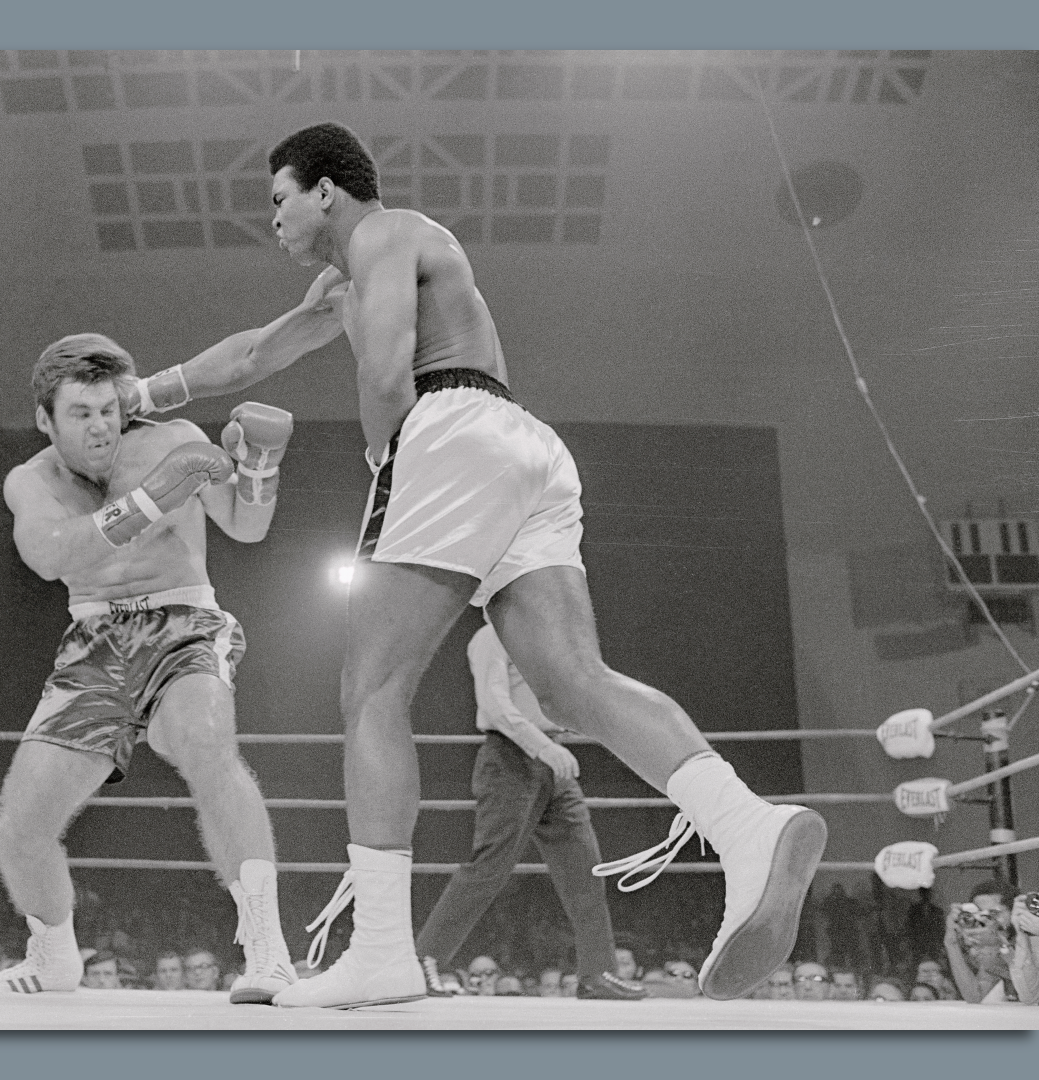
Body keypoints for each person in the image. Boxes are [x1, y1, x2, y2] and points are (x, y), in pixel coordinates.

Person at [121, 120, 825, 1007]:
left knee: (371, 691)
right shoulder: (363, 268)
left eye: (278, 199)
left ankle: (379, 949)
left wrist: (388, 467)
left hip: (447, 431)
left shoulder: (382, 233)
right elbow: (257, 352)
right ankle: (748, 824)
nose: (273, 221)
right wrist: (141, 395)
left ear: (325, 191)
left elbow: (385, 376)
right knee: (573, 681)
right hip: (518, 444)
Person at [0, 334, 299, 1005]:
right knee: (21, 828)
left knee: (205, 742)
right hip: (96, 640)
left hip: (184, 623)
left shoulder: (170, 437)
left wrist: (260, 466)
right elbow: (51, 556)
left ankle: (269, 954)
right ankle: (53, 956)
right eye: (81, 413)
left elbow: (247, 526)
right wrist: (150, 500)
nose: (100, 427)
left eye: (108, 410)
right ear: (45, 419)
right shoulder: (32, 480)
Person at [413, 620, 645, 1000]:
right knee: (490, 866)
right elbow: (494, 703)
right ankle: (425, 958)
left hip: (554, 763)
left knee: (585, 868)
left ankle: (597, 973)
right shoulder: (490, 638)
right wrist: (543, 746)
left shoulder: (542, 640)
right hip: (510, 759)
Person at [943, 879, 1018, 1003]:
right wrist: (951, 942)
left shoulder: (1033, 939)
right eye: (980, 913)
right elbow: (975, 996)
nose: (986, 920)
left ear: (1014, 912)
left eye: (993, 913)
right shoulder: (990, 949)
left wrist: (1000, 941)